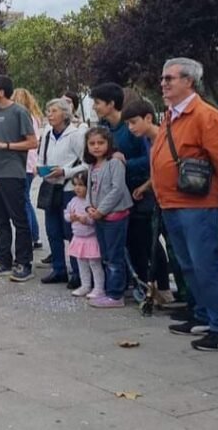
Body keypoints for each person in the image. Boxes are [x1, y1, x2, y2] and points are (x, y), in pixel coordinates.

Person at [152, 57, 218, 351]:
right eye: (163, 78)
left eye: (170, 78)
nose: (163, 83)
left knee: (205, 264)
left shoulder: (205, 116)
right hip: (173, 203)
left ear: (189, 81)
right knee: (189, 265)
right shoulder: (171, 115)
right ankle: (204, 313)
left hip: (197, 204)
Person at [90, 82, 153, 294]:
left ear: (111, 104)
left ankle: (151, 284)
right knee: (119, 244)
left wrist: (126, 163)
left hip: (137, 191)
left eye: (97, 103)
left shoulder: (131, 128)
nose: (95, 107)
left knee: (140, 241)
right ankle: (125, 282)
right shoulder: (103, 128)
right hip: (112, 198)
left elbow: (150, 159)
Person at [0, 75, 38, 281]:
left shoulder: (20, 112)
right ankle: (3, 261)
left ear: (1, 92)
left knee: (19, 220)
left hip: (12, 174)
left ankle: (24, 263)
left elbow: (32, 143)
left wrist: (6, 146)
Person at [121, 100, 179, 306]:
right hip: (156, 196)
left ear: (148, 118)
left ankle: (171, 290)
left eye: (133, 122)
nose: (131, 128)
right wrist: (146, 186)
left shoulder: (162, 137)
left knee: (173, 248)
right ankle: (160, 289)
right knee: (150, 243)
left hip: (174, 201)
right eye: (127, 124)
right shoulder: (148, 139)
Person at [35, 98, 87, 286]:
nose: (49, 114)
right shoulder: (48, 134)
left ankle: (78, 272)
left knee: (71, 230)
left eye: (54, 110)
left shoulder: (76, 135)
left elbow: (86, 162)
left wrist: (65, 171)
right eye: (48, 111)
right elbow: (41, 158)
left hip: (69, 188)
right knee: (52, 230)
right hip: (51, 185)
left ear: (65, 114)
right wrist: (41, 169)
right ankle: (58, 268)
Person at [84, 126, 133, 308]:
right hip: (99, 217)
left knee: (114, 256)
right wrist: (89, 206)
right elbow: (90, 189)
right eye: (92, 143)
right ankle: (112, 287)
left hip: (114, 215)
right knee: (105, 254)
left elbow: (117, 189)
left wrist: (102, 210)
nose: (96, 147)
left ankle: (115, 294)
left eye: (101, 143)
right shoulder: (92, 165)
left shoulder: (114, 162)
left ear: (109, 144)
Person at [12, 88, 44, 249]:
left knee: (23, 201)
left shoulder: (21, 118)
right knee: (25, 200)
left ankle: (32, 235)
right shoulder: (35, 118)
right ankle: (35, 235)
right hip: (31, 163)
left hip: (23, 164)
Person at [64, 173, 104, 298]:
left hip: (91, 238)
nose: (77, 188)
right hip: (78, 238)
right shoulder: (73, 201)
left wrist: (85, 220)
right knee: (81, 263)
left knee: (94, 264)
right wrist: (71, 217)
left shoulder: (91, 201)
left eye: (81, 185)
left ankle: (99, 288)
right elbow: (66, 214)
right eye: (75, 185)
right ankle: (85, 285)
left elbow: (94, 219)